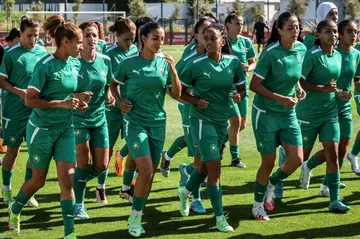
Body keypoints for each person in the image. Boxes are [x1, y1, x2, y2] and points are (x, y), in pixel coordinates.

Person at [7, 15, 89, 239]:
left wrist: (77, 99)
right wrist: (62, 103)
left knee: (67, 180)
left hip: (65, 129)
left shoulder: (73, 63)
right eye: (78, 42)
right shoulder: (45, 65)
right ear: (65, 42)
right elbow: (30, 100)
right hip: (41, 130)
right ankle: (14, 209)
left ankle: (69, 233)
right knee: (38, 181)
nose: (81, 47)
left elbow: (64, 94)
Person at [110, 22, 181, 237]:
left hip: (158, 123)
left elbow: (176, 94)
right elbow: (113, 85)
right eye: (155, 38)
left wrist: (174, 71)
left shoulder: (164, 63)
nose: (160, 43)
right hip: (135, 122)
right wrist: (120, 101)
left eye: (162, 38)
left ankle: (136, 208)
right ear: (143, 39)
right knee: (147, 169)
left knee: (150, 174)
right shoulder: (128, 63)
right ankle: (135, 217)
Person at [176, 22, 246, 232]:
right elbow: (180, 91)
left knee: (206, 167)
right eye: (205, 38)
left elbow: (242, 88)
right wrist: (195, 101)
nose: (208, 42)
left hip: (220, 121)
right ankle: (220, 218)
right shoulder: (196, 64)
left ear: (222, 41)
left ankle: (185, 190)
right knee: (214, 168)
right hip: (201, 121)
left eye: (212, 38)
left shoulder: (233, 63)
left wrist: (238, 95)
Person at [249, 12, 306, 220]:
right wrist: (280, 98)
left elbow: (294, 74)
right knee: (269, 161)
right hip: (265, 114)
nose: (295, 31)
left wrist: (298, 87)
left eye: (297, 26)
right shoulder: (270, 53)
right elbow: (253, 85)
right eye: (290, 27)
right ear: (279, 30)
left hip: (288, 113)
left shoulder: (301, 48)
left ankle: (271, 185)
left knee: (297, 159)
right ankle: (257, 206)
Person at [297, 19, 350, 213]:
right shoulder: (311, 56)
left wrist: (339, 93)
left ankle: (334, 199)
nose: (333, 35)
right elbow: (300, 82)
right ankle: (274, 182)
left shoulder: (337, 56)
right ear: (318, 35)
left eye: (335, 31)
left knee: (334, 154)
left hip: (330, 112)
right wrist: (322, 89)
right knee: (299, 156)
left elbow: (332, 85)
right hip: (309, 112)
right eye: (328, 32)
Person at [160, 17, 211, 214]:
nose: (208, 36)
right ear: (196, 35)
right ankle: (196, 198)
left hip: (213, 115)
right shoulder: (189, 56)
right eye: (204, 32)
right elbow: (173, 88)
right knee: (200, 159)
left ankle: (186, 170)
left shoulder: (219, 55)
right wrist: (192, 102)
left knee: (207, 161)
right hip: (192, 113)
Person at [304, 20, 360, 195]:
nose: (354, 35)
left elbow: (357, 81)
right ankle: (309, 165)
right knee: (333, 149)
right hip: (325, 105)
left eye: (356, 31)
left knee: (343, 148)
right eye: (349, 32)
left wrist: (349, 91)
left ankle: (327, 185)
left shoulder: (357, 54)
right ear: (340, 35)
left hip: (344, 105)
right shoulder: (328, 53)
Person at [0, 17, 47, 207]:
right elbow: (2, 81)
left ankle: (27, 192)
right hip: (14, 110)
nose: (33, 39)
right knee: (13, 150)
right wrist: (20, 92)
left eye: (36, 35)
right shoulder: (11, 54)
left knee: (35, 150)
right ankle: (6, 190)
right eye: (29, 36)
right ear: (21, 35)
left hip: (35, 110)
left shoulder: (42, 52)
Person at [73, 21, 115, 219]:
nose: (92, 39)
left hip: (100, 118)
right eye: (87, 35)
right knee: (83, 161)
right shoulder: (72, 62)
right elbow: (63, 89)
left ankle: (75, 182)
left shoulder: (105, 60)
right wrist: (77, 95)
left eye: (94, 35)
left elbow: (108, 84)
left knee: (102, 166)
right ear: (81, 39)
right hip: (77, 118)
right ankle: (78, 204)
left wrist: (109, 95)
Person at [99, 17, 137, 203]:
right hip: (113, 109)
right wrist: (109, 94)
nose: (130, 44)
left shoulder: (136, 51)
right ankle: (101, 187)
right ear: (118, 36)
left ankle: (128, 186)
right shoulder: (109, 53)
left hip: (133, 108)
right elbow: (105, 78)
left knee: (137, 144)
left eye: (133, 39)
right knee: (107, 147)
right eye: (127, 39)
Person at [119, 16, 156, 204]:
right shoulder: (129, 55)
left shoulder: (155, 58)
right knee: (138, 155)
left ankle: (127, 187)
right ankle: (128, 187)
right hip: (131, 112)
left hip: (151, 116)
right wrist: (119, 100)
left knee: (138, 155)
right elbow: (114, 82)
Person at [225, 11, 256, 168]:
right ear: (228, 25)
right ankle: (235, 158)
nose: (240, 26)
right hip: (227, 88)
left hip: (243, 87)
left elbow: (253, 62)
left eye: (242, 23)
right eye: (237, 23)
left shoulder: (246, 42)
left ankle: (220, 140)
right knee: (236, 121)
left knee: (242, 124)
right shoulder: (222, 43)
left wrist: (248, 68)